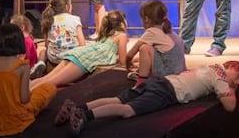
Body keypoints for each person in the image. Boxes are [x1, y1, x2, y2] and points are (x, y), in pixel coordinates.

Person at [55, 60, 239, 137]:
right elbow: (230, 106)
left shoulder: (209, 67)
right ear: (230, 68)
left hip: (159, 82)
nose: (236, 84)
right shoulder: (220, 77)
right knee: (127, 111)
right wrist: (231, 90)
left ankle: (78, 106)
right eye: (237, 79)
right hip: (167, 92)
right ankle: (85, 115)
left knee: (118, 100)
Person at [0, 24, 57, 137]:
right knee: (49, 88)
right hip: (17, 113)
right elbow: (24, 99)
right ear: (19, 42)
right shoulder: (22, 66)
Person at [30, 10, 128, 91]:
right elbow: (123, 62)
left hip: (78, 53)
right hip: (84, 59)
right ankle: (25, 98)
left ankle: (23, 91)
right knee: (53, 82)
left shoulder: (108, 35)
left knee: (46, 78)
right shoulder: (122, 35)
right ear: (122, 23)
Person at [126, 0, 186, 88]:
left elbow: (130, 54)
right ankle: (142, 74)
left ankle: (141, 82)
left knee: (144, 48)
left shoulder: (152, 32)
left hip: (168, 75)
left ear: (146, 19)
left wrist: (127, 65)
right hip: (180, 73)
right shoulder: (167, 30)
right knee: (153, 49)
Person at [42, 0, 86, 68]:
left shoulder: (49, 19)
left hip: (53, 58)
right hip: (71, 58)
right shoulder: (75, 19)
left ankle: (41, 63)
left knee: (42, 51)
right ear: (67, 6)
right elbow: (82, 44)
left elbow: (46, 45)